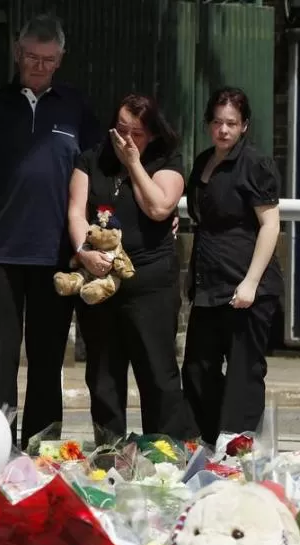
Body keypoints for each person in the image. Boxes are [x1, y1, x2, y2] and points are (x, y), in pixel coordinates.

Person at [0, 14, 103, 450]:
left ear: (59, 61)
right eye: (32, 58)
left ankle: (42, 450)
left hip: (56, 254)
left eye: (48, 60)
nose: (38, 67)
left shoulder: (76, 107)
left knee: (46, 360)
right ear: (19, 54)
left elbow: (103, 168)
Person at [69, 94, 196, 443]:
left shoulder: (165, 160)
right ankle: (110, 449)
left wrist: (133, 163)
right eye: (121, 129)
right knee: (103, 373)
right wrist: (83, 252)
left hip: (150, 278)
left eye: (136, 133)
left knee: (157, 370)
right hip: (101, 276)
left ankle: (166, 449)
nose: (125, 138)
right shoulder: (91, 159)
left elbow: (158, 207)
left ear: (152, 134)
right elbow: (76, 212)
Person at [181, 87, 283, 447]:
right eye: (217, 122)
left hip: (246, 281)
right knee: (197, 368)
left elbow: (271, 224)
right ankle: (207, 443)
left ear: (244, 126)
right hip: (210, 282)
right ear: (209, 124)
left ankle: (236, 447)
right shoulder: (203, 160)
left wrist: (251, 282)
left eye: (231, 123)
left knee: (243, 370)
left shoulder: (255, 164)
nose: (223, 130)